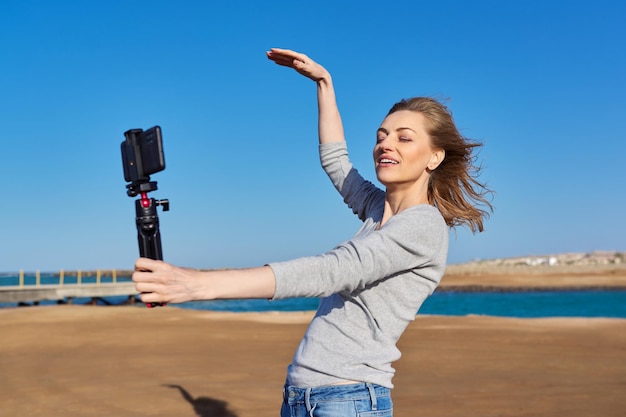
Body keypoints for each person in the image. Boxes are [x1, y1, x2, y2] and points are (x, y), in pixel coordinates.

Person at [132, 48, 493, 417]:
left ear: (434, 157)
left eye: (404, 138)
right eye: (381, 135)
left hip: (349, 399)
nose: (385, 143)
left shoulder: (423, 226)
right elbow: (336, 161)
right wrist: (325, 84)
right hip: (303, 395)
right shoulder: (375, 209)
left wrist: (198, 285)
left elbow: (332, 271)